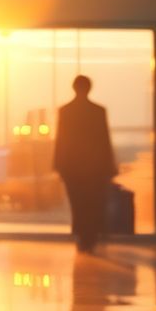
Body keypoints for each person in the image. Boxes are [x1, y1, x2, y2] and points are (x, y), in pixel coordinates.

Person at [53, 75, 116, 252]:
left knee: (77, 202)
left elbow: (61, 140)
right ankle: (91, 235)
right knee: (93, 201)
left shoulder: (65, 111)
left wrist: (58, 164)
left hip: (72, 167)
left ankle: (81, 233)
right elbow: (104, 140)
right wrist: (109, 165)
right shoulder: (98, 111)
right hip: (94, 167)